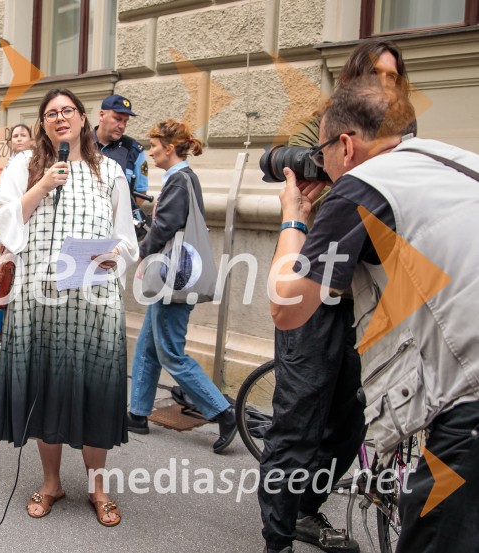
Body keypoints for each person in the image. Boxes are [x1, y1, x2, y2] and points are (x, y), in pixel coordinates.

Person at [271, 74, 479, 553]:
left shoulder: (364, 184)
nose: (320, 164)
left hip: (470, 408)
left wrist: (294, 216)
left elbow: (287, 308)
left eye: (321, 152)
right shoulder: (455, 161)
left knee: (431, 531)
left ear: (346, 145)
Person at [258, 38, 414, 553]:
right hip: (312, 290)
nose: (384, 84)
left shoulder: (404, 135)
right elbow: (278, 164)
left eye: (393, 77)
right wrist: (326, 166)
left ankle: (305, 509)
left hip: (365, 301)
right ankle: (276, 539)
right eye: (375, 74)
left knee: (350, 424)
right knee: (299, 421)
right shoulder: (326, 122)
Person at [0, 88, 138, 526]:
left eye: (67, 111)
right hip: (39, 298)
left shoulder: (109, 172)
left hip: (93, 298)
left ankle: (97, 487)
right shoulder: (25, 165)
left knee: (95, 390)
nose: (59, 118)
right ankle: (51, 481)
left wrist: (115, 255)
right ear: (43, 124)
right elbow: (4, 217)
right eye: (51, 113)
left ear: (83, 118)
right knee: (45, 389)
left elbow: (127, 239)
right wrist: (42, 184)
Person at [125, 119, 237, 452]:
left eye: (154, 145)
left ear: (169, 148)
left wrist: (142, 254)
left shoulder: (179, 180)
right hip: (174, 277)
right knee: (148, 347)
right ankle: (138, 413)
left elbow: (165, 227)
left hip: (173, 277)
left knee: (171, 353)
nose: (150, 151)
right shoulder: (182, 179)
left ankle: (223, 411)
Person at [0, 124, 33, 357]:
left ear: (32, 140)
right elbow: (0, 205)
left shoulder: (32, 162)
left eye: (23, 135)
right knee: (0, 281)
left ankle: (9, 335)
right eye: (15, 136)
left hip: (23, 229)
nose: (19, 138)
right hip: (4, 233)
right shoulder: (9, 166)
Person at [94, 94, 149, 199]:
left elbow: (141, 193)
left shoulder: (133, 149)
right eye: (117, 119)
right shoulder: (81, 143)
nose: (122, 126)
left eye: (125, 121)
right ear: (101, 115)